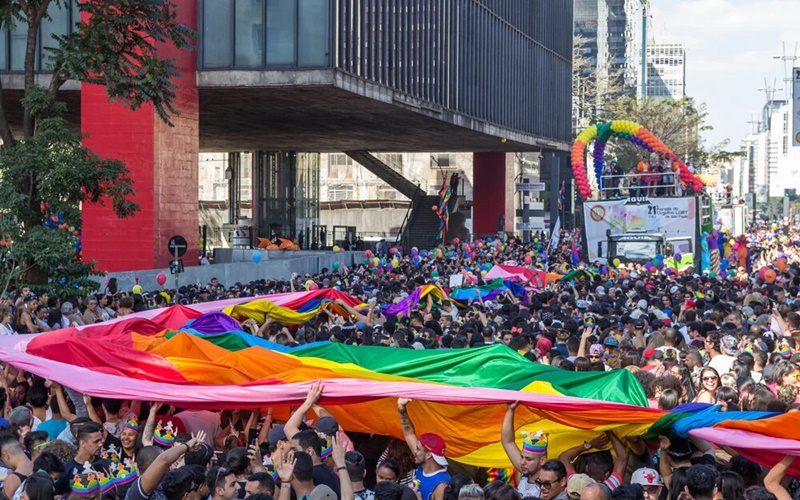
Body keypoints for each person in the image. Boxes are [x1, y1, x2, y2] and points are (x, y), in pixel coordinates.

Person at [397, 398, 449, 500]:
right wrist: (401, 408)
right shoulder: (423, 466)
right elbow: (409, 433)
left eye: (418, 449)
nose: (414, 452)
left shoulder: (441, 486)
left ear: (429, 455)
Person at [501, 402, 547, 498]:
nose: (522, 462)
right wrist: (510, 410)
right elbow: (507, 441)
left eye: (529, 459)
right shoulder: (526, 471)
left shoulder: (547, 487)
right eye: (522, 457)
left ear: (542, 460)